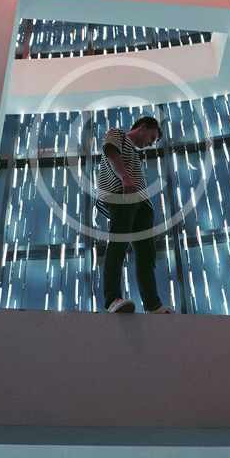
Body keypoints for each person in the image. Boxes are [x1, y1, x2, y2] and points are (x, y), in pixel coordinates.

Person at [96, 115, 173, 314]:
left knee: (147, 255)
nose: (151, 144)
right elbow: (111, 151)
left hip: (142, 204)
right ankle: (112, 299)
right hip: (122, 194)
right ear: (143, 127)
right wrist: (125, 178)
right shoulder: (117, 134)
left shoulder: (134, 154)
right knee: (118, 244)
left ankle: (152, 305)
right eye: (152, 137)